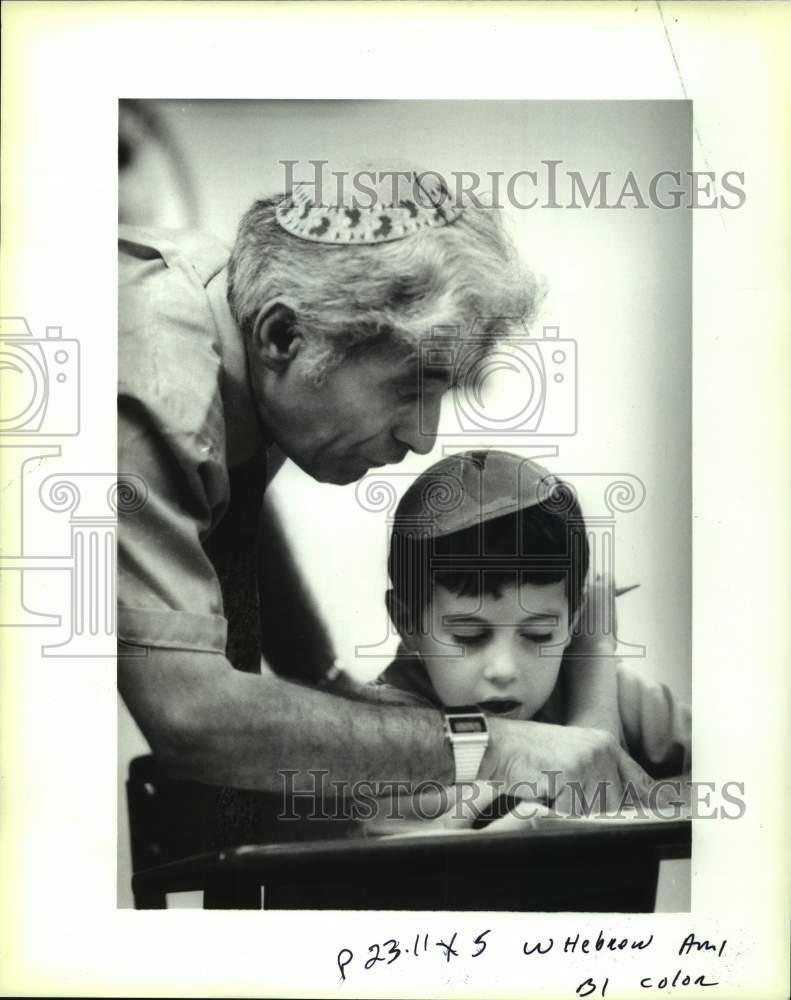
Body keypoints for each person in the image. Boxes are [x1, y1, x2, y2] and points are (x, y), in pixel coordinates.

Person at [117, 164, 651, 820]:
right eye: (406, 389)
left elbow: (221, 485)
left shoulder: (231, 313)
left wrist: (318, 674)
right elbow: (191, 718)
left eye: (438, 398)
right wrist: (491, 744)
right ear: (283, 337)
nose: (424, 438)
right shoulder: (158, 386)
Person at [364, 448, 690, 820]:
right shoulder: (378, 726)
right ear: (406, 622)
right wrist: (595, 668)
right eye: (469, 636)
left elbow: (757, 778)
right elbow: (547, 813)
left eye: (537, 634)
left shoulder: (624, 695)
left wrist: (594, 659)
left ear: (573, 619)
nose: (504, 669)